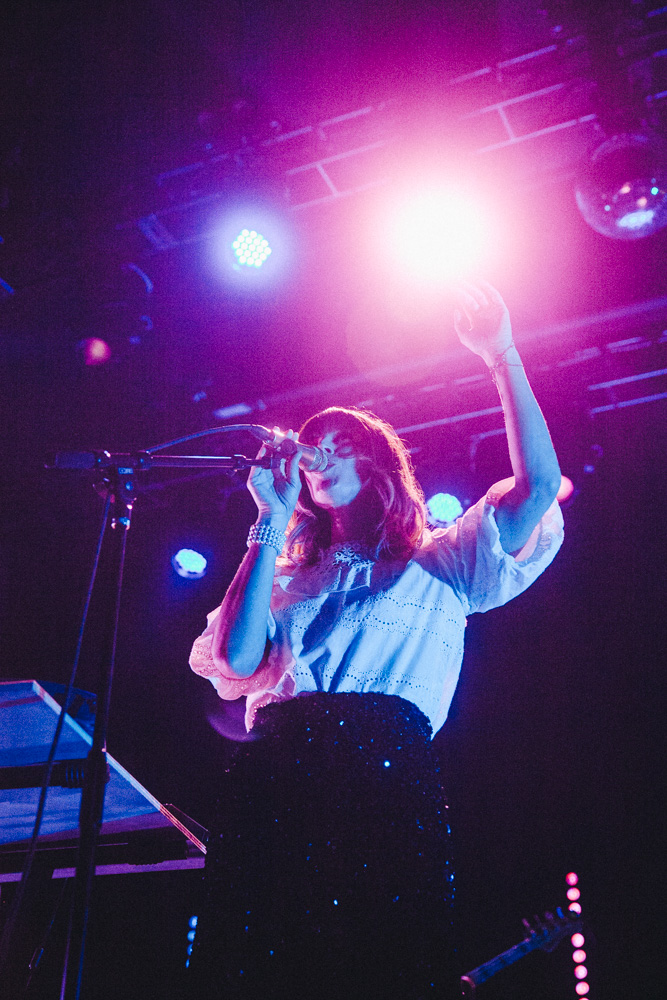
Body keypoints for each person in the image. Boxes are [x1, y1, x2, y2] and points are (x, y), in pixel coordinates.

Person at [187, 280, 564, 1000]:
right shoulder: (287, 575)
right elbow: (235, 662)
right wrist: (267, 518)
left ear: (375, 462)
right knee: (262, 961)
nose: (317, 458)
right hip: (278, 773)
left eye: (337, 446)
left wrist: (501, 355)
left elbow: (537, 484)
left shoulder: (441, 561)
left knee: (381, 961)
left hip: (382, 775)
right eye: (309, 450)